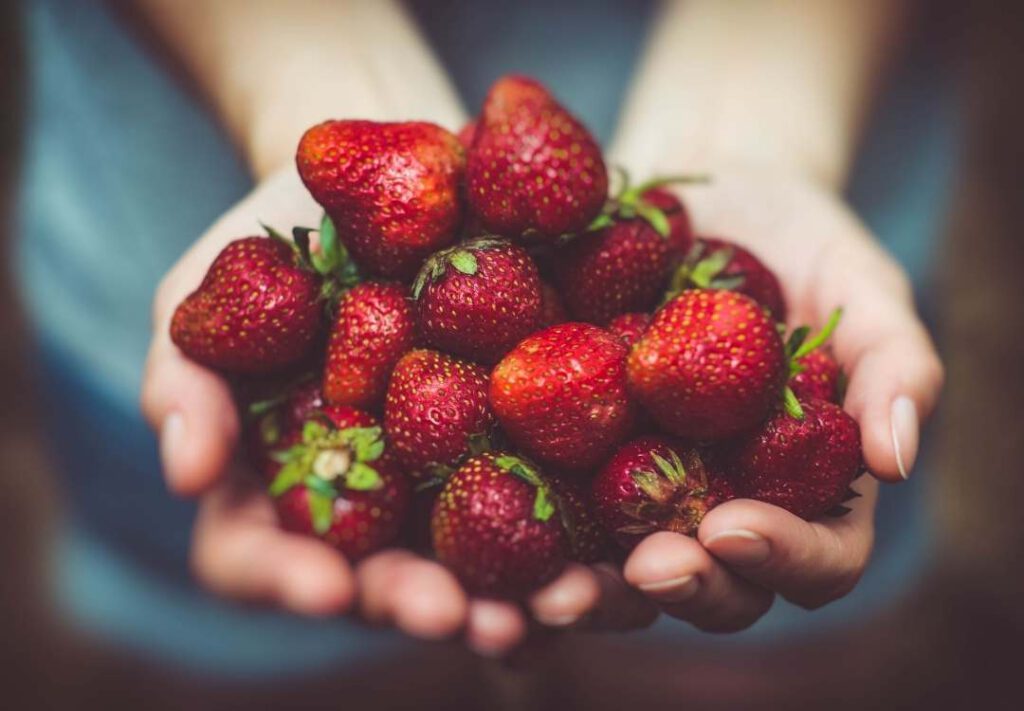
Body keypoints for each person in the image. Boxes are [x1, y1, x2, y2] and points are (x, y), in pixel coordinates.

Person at [17, 0, 946, 672]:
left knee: (737, 672)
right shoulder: (429, 321)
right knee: (265, 672)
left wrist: (758, 133)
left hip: (820, 99)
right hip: (162, 189)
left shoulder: (618, 330)